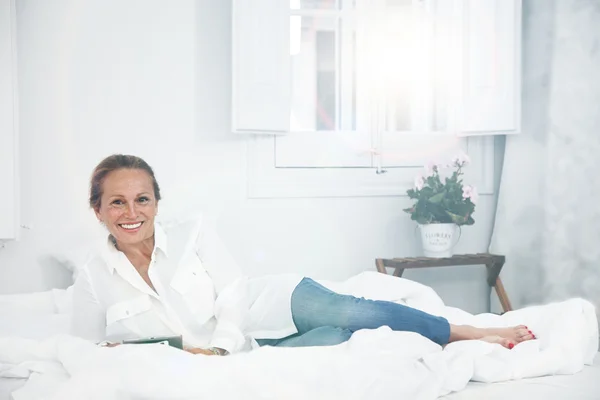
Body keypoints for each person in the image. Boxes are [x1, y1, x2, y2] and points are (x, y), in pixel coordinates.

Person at [71, 154, 536, 356]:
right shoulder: (93, 275)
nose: (132, 213)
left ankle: (463, 331)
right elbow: (88, 347)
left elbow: (233, 289)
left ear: (156, 202)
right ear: (98, 210)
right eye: (117, 201)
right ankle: (423, 337)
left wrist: (219, 346)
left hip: (263, 307)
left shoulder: (193, 231)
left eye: (143, 199)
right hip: (246, 353)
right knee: (339, 342)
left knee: (352, 312)